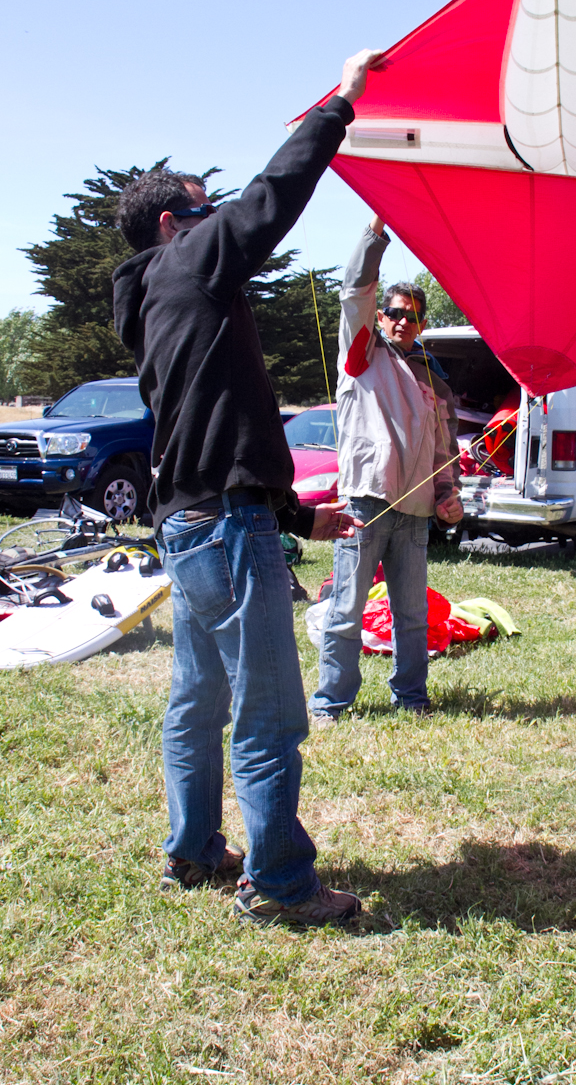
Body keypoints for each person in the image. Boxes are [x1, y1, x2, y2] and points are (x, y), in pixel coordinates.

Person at [112, 49, 381, 928]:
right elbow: (274, 194)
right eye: (200, 208)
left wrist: (297, 511)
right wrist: (342, 102)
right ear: (170, 225)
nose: (216, 215)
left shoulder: (157, 298)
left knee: (197, 699)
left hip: (193, 526)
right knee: (268, 713)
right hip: (220, 531)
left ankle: (191, 851)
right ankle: (278, 886)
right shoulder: (190, 265)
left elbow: (211, 438)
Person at [308, 216, 463, 725]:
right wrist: (375, 234)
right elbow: (354, 291)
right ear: (381, 317)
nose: (403, 322)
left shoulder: (432, 379)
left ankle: (412, 697)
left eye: (414, 316)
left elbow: (443, 448)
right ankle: (331, 702)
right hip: (365, 505)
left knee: (413, 617)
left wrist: (447, 493)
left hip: (415, 515)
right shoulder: (361, 355)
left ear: (422, 324)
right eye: (395, 313)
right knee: (346, 610)